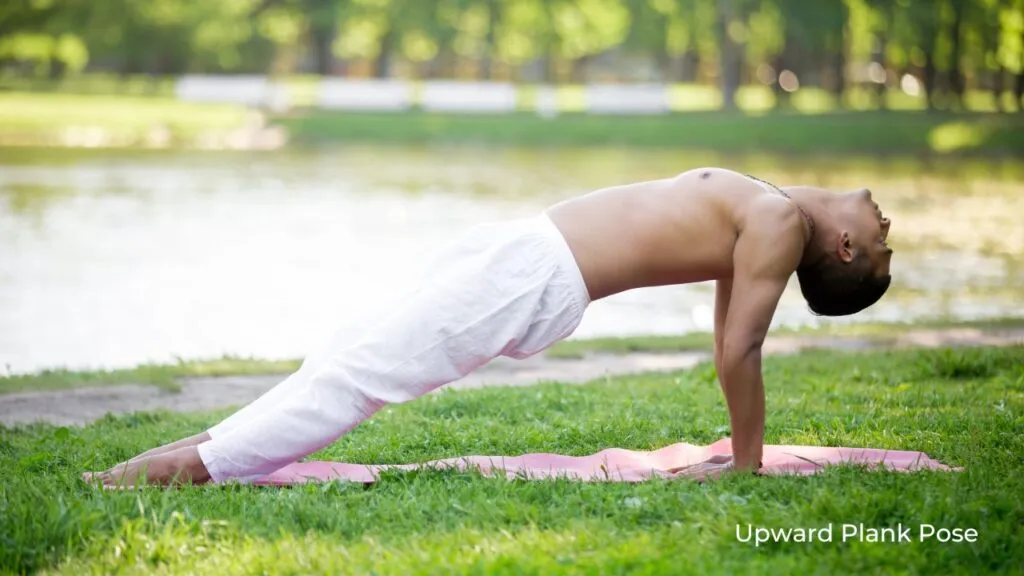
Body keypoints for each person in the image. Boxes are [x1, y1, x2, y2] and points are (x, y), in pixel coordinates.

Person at [84, 167, 893, 486]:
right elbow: (730, 337)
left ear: (845, 248)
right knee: (344, 356)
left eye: (883, 248)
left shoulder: (781, 224)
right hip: (522, 252)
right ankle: (168, 462)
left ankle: (169, 474)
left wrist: (744, 462)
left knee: (354, 380)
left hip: (532, 278)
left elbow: (741, 347)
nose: (890, 227)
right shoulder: (772, 213)